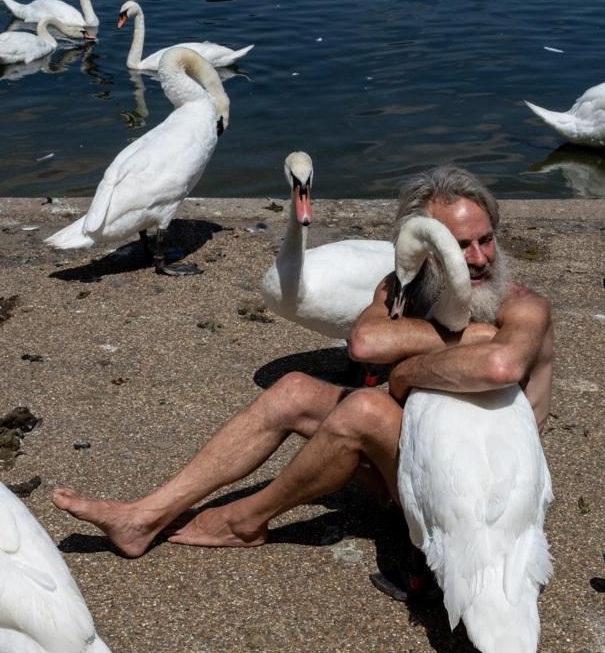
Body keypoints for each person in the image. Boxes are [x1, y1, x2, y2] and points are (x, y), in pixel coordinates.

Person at [52, 166, 554, 552]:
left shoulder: (523, 307)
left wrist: (408, 369)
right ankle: (145, 516)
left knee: (366, 409)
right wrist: (472, 334)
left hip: (481, 495)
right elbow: (365, 344)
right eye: (460, 246)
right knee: (293, 390)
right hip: (415, 462)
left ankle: (244, 520)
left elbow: (501, 367)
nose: (479, 259)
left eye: (486, 240)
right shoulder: (406, 288)